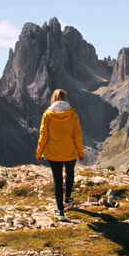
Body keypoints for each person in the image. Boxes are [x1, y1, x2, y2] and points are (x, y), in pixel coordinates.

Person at [36, 89, 84, 221]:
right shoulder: (73, 114)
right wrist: (80, 152)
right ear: (65, 99)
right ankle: (68, 198)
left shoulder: (48, 114)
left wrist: (39, 152)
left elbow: (43, 135)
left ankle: (60, 211)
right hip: (70, 151)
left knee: (57, 180)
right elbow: (77, 135)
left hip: (53, 152)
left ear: (54, 99)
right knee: (70, 174)